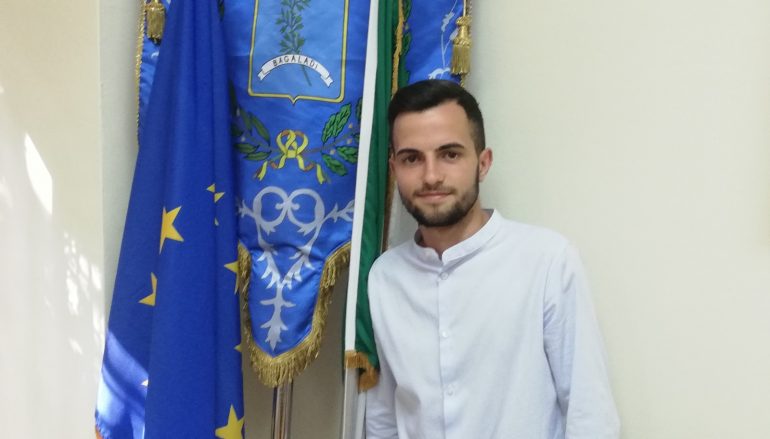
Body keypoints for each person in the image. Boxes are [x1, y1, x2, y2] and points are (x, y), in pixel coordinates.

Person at [365, 79, 620, 439]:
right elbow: (384, 417)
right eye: (412, 159)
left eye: (450, 154)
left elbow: (589, 412)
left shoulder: (546, 261)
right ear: (394, 169)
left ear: (483, 163)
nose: (431, 176)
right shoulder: (384, 277)